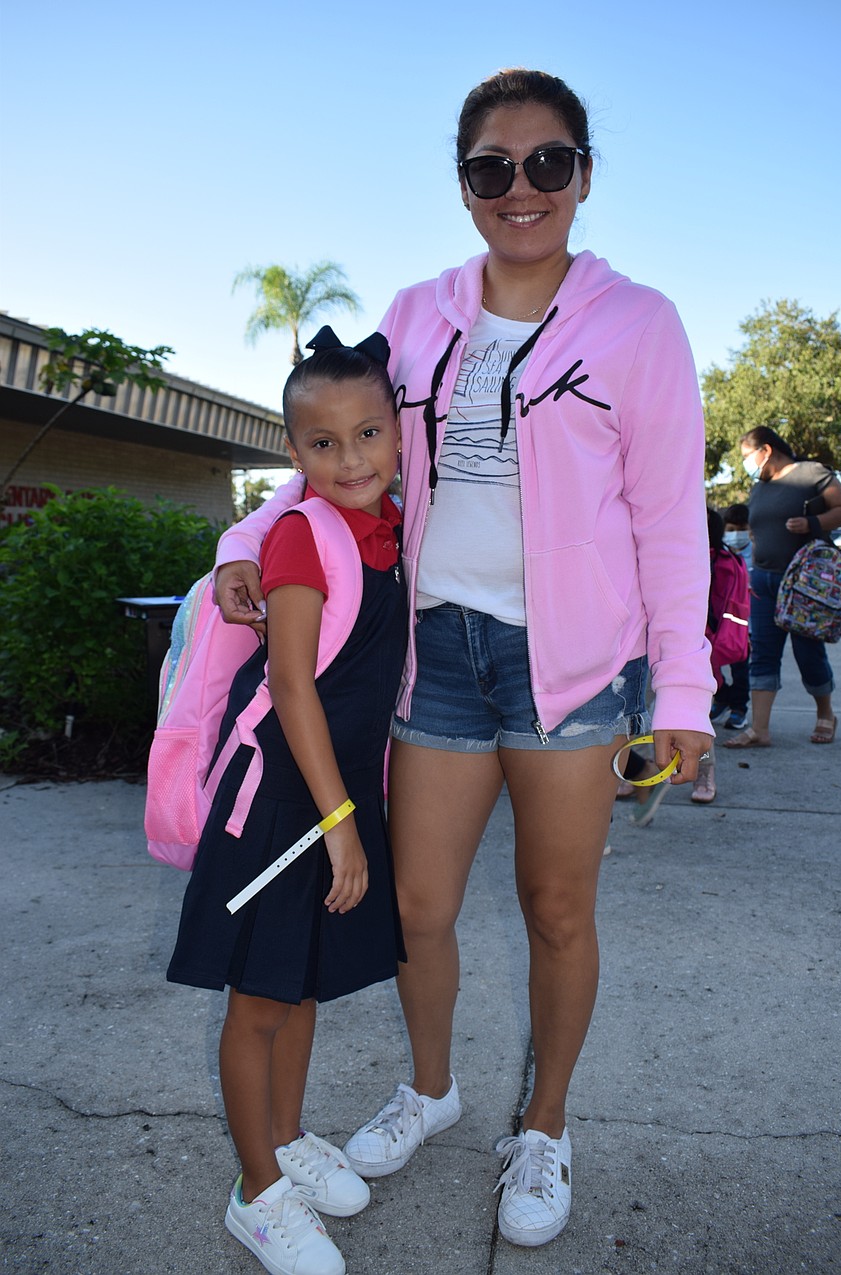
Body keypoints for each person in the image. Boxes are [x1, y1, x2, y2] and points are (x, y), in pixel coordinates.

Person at [214, 68, 714, 1248]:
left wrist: (681, 686)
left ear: (583, 175)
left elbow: (666, 517)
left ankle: (542, 1125)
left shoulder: (637, 323)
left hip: (572, 670)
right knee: (420, 905)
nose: (521, 189)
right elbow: (338, 452)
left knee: (555, 908)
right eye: (493, 168)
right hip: (435, 655)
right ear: (465, 185)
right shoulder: (420, 309)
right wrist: (246, 540)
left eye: (548, 163)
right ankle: (431, 1091)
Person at [167, 333, 407, 1275]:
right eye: (323, 443)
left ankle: (291, 1134)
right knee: (259, 999)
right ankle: (256, 1187)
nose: (351, 460)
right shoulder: (304, 533)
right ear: (292, 450)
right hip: (281, 799)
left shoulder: (386, 521)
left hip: (331, 791)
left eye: (369, 433)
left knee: (300, 978)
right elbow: (294, 686)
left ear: (397, 432)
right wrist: (341, 824)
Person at [725, 425, 841, 749]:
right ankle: (760, 730)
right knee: (763, 655)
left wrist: (813, 523)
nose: (747, 464)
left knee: (808, 653)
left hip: (803, 585)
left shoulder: (811, 474)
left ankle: (826, 714)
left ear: (765, 450)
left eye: (748, 457)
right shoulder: (760, 487)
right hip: (763, 582)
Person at [709, 502, 752, 730]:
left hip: (741, 628)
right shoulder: (719, 557)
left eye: (741, 528)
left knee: (740, 668)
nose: (736, 535)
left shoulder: (735, 559)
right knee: (712, 667)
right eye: (731, 529)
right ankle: (725, 698)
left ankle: (738, 708)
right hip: (722, 625)